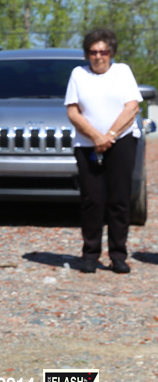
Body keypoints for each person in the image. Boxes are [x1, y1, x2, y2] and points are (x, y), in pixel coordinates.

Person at [65, 28, 143, 275]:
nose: (99, 56)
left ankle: (118, 255)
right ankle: (90, 254)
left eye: (103, 51)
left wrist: (109, 136)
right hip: (87, 145)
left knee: (119, 200)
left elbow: (132, 108)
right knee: (92, 200)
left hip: (121, 142)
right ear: (87, 54)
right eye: (93, 52)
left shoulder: (123, 72)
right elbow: (73, 112)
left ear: (111, 52)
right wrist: (96, 137)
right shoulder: (78, 74)